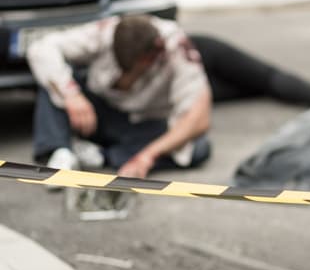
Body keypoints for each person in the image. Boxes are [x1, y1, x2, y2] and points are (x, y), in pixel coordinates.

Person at [27, 15, 212, 178]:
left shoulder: (177, 48)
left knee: (198, 148)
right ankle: (60, 152)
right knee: (53, 78)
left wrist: (147, 156)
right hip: (98, 112)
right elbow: (41, 48)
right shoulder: (105, 31)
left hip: (146, 123)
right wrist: (72, 95)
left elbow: (199, 119)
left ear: (150, 58)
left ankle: (100, 156)